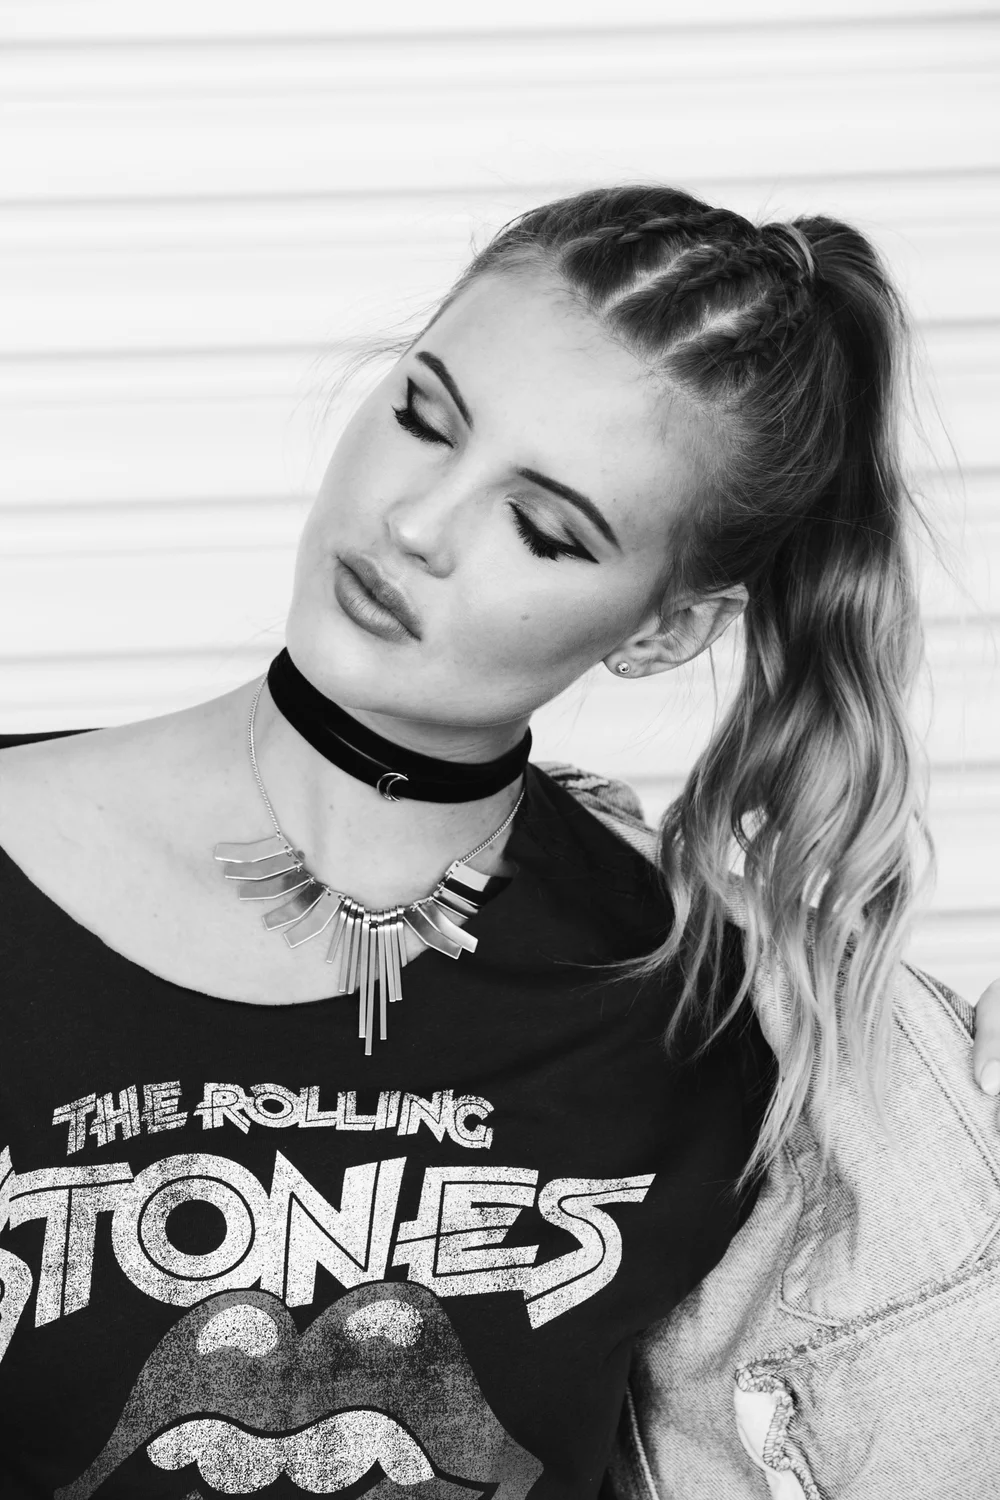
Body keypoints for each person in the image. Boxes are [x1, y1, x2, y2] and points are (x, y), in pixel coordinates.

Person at [0, 183, 996, 1499]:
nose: (416, 525)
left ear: (664, 631)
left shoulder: (716, 1018)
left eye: (544, 528)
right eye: (424, 416)